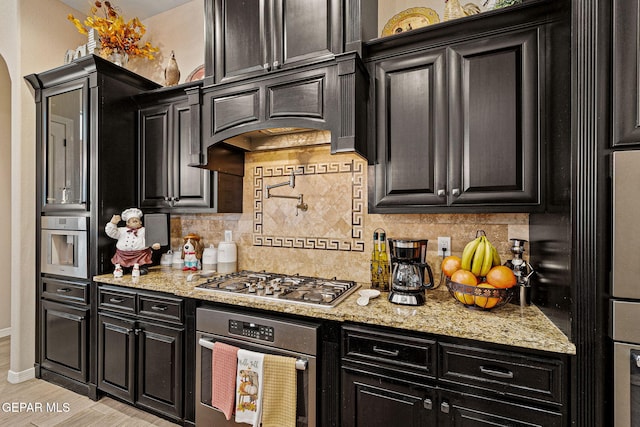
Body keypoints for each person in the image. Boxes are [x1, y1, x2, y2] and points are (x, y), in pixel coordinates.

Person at [105, 208, 160, 275]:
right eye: (131, 221)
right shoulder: (122, 231)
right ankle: (121, 269)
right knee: (120, 266)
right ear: (127, 223)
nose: (134, 221)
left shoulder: (144, 231)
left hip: (140, 255)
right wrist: (113, 223)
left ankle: (140, 268)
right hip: (123, 256)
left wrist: (154, 244)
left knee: (141, 267)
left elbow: (151, 238)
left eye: (136, 220)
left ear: (140, 222)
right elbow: (111, 232)